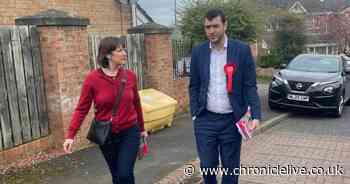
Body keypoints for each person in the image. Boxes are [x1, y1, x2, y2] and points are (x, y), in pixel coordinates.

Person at [189, 9, 261, 184]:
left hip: (232, 119)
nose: (211, 31)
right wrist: (194, 113)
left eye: (215, 26)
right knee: (207, 166)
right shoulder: (199, 52)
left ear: (225, 25)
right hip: (205, 118)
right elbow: (194, 85)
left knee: (230, 168)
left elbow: (250, 85)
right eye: (207, 27)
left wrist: (256, 115)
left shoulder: (241, 50)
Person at [63, 37, 148, 184]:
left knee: (124, 173)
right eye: (120, 50)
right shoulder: (92, 79)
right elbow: (82, 109)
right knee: (117, 175)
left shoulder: (130, 76)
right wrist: (71, 135)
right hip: (106, 135)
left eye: (124, 49)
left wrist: (142, 129)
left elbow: (136, 103)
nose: (125, 53)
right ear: (108, 55)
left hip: (130, 131)